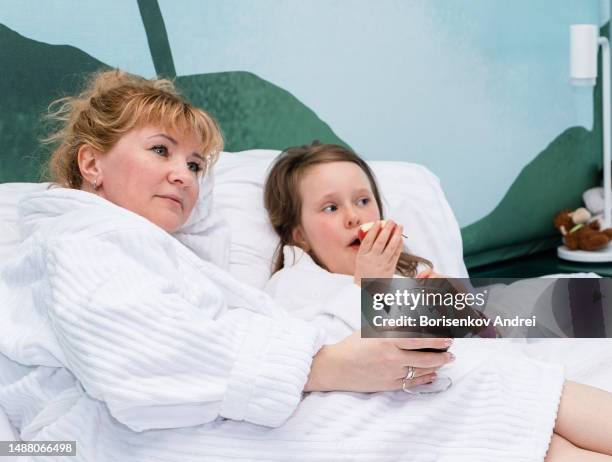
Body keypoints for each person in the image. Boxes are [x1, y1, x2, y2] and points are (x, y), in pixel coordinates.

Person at [0, 69, 469, 462]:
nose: (183, 174)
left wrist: (415, 304)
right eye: (161, 150)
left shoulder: (153, 254)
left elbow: (481, 327)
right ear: (91, 163)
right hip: (120, 434)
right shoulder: (82, 239)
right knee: (481, 399)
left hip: (219, 407)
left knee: (486, 385)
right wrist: (327, 359)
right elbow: (143, 355)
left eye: (196, 165)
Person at [263, 141, 612, 461]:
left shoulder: (410, 269)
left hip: (488, 374)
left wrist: (457, 309)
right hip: (430, 404)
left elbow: (485, 338)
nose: (353, 216)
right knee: (549, 443)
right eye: (330, 207)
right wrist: (369, 287)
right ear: (299, 235)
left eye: (363, 201)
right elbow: (320, 359)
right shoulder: (294, 285)